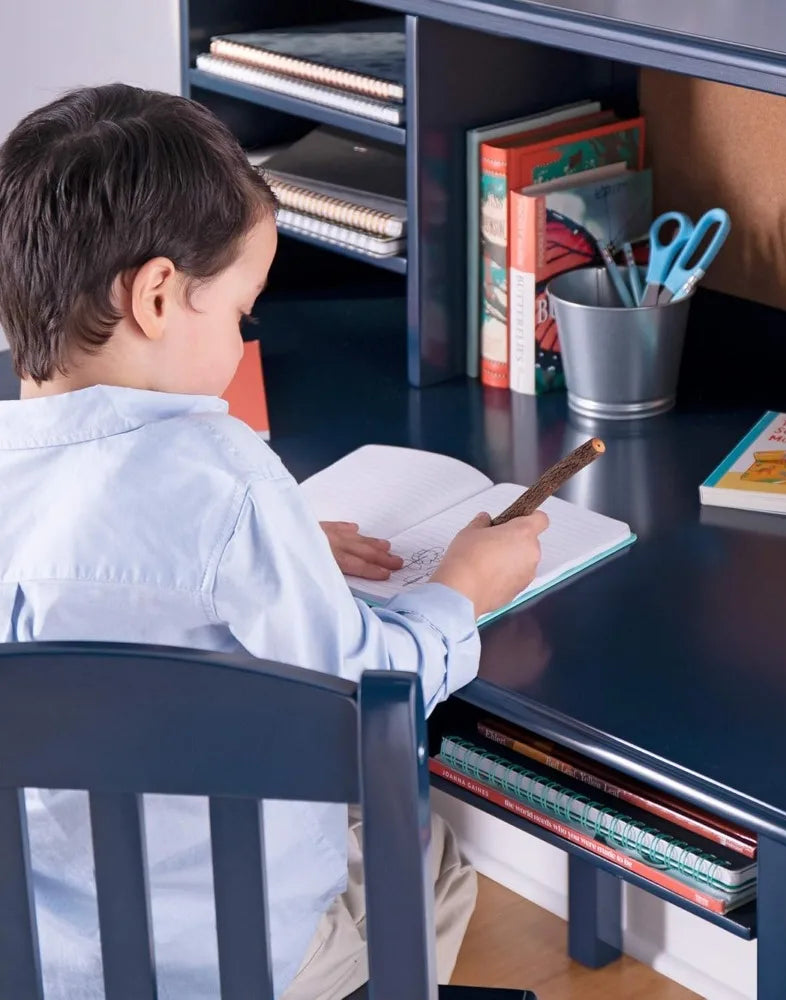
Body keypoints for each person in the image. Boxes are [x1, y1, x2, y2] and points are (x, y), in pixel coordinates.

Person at [0, 83, 548, 1000]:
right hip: (237, 970)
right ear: (160, 296)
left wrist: (279, 554)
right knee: (434, 855)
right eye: (243, 315)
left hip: (42, 961)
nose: (246, 342)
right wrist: (461, 589)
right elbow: (371, 693)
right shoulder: (227, 476)